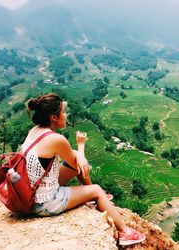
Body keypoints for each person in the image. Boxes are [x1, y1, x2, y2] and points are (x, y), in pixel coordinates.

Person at [22, 93, 146, 246]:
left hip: (31, 192)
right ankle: (124, 232)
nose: (66, 114)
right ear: (54, 117)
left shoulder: (35, 131)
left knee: (74, 162)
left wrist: (78, 154)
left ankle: (95, 195)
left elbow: (74, 161)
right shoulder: (56, 139)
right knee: (96, 189)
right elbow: (80, 162)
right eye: (63, 111)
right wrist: (81, 145)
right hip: (44, 202)